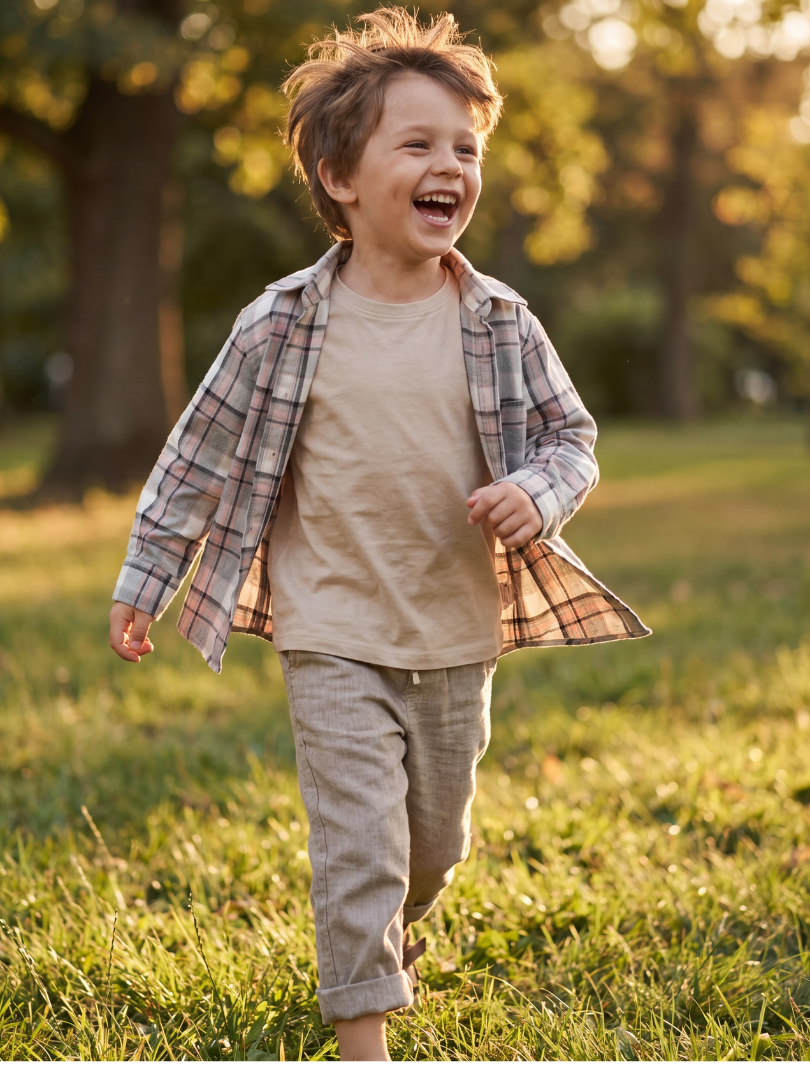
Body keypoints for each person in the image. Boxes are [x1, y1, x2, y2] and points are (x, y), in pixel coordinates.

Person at [108, 6, 649, 1061]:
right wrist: (146, 579)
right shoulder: (280, 323)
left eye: (465, 148)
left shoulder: (499, 321)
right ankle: (365, 1037)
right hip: (333, 630)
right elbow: (197, 456)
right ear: (340, 176)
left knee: (431, 847)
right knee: (359, 842)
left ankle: (388, 938)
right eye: (419, 143)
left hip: (456, 636)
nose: (450, 165)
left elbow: (570, 437)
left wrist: (538, 493)